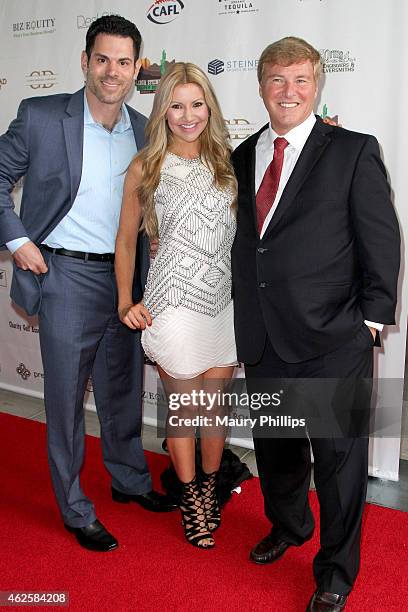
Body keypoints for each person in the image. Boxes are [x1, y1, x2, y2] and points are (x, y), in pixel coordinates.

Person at [231, 37, 400, 611]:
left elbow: (382, 237)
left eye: (300, 80)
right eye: (277, 80)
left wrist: (373, 321)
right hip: (264, 335)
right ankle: (290, 526)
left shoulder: (352, 149)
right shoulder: (240, 155)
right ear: (260, 87)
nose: (288, 92)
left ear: (317, 85)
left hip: (336, 337)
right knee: (276, 449)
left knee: (337, 462)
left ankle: (334, 572)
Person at [0, 14, 177, 553]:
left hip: (123, 279)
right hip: (64, 276)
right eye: (102, 59)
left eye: (124, 62)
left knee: (122, 389)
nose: (112, 71)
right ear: (85, 61)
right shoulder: (41, 115)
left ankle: (128, 480)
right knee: (66, 399)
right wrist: (17, 240)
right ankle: (75, 507)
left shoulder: (149, 130)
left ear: (136, 69)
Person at [115, 62, 237, 549]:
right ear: (163, 109)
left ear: (210, 106)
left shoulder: (230, 161)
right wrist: (126, 300)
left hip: (224, 304)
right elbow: (125, 240)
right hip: (172, 303)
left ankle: (210, 487)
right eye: (177, 105)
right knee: (185, 412)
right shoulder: (146, 165)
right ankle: (190, 497)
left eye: (197, 104)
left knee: (214, 414)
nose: (188, 116)